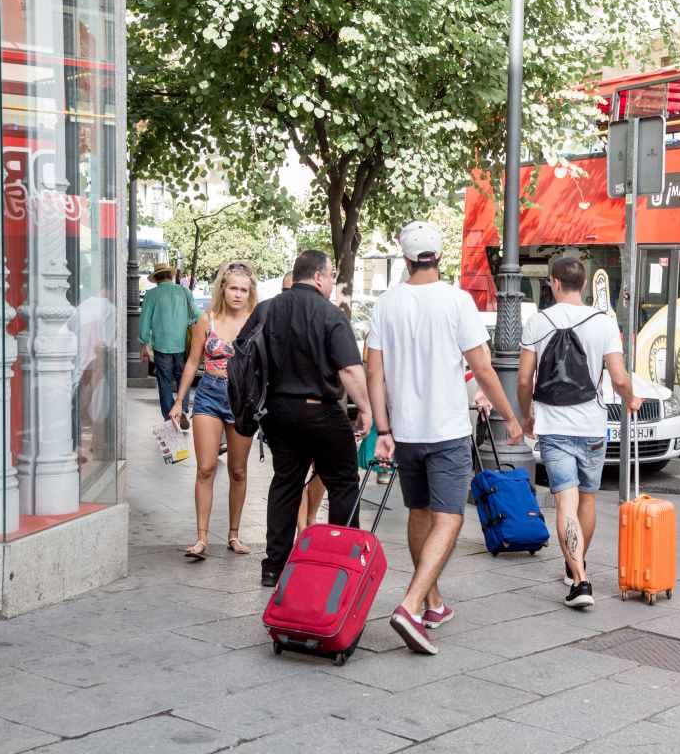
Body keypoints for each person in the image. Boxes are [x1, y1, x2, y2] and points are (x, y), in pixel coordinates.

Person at [368, 221, 522, 655]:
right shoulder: (458, 301)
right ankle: (411, 604)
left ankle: (433, 602)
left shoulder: (386, 304)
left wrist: (383, 429)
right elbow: (484, 369)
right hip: (448, 430)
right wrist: (510, 416)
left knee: (419, 512)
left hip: (407, 431)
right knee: (450, 517)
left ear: (405, 258)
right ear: (439, 257)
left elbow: (374, 373)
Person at [517, 256, 642, 608]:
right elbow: (618, 379)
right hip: (592, 427)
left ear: (554, 283)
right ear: (583, 285)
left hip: (554, 426)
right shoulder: (603, 323)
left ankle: (581, 582)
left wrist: (527, 415)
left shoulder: (538, 322)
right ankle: (577, 567)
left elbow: (525, 379)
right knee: (587, 500)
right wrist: (631, 398)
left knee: (565, 504)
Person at [251, 251, 372, 588]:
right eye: (332, 276)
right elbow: (349, 369)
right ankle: (340, 563)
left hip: (278, 412)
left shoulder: (267, 309)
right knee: (344, 483)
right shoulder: (330, 314)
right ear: (318, 276)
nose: (333, 283)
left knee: (285, 484)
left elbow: (243, 356)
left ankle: (274, 566)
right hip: (320, 410)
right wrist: (365, 408)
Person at [170, 262, 258, 560]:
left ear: (250, 292)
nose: (238, 294)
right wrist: (179, 400)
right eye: (233, 287)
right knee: (205, 467)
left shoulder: (256, 322)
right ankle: (201, 538)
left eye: (244, 289)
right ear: (223, 288)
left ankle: (234, 535)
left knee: (238, 470)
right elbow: (193, 362)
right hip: (209, 393)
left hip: (242, 398)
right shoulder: (206, 320)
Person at [275, 271, 329, 535]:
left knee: (322, 470)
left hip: (322, 406)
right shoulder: (276, 323)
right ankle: (302, 529)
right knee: (295, 470)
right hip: (287, 410)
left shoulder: (323, 318)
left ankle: (310, 518)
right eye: (286, 292)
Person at [140, 263, 200, 422]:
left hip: (161, 345)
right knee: (184, 379)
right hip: (182, 345)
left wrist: (143, 343)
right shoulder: (184, 291)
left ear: (157, 279)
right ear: (171, 276)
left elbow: (145, 321)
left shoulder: (151, 294)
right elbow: (197, 315)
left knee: (164, 382)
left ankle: (169, 416)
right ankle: (183, 411)